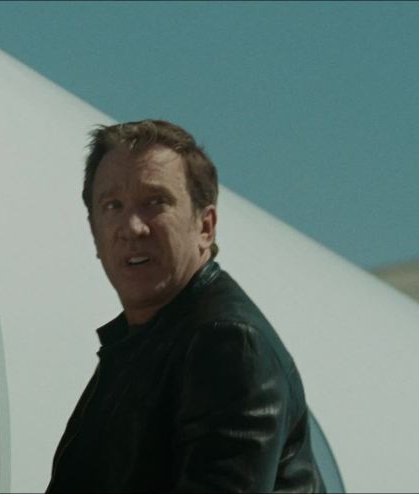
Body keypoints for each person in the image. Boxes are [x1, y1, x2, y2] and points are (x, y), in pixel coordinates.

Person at [47, 120, 325, 492]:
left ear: (205, 227)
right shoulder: (139, 342)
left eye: (155, 202)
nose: (132, 227)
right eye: (113, 206)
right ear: (95, 232)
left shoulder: (227, 342)